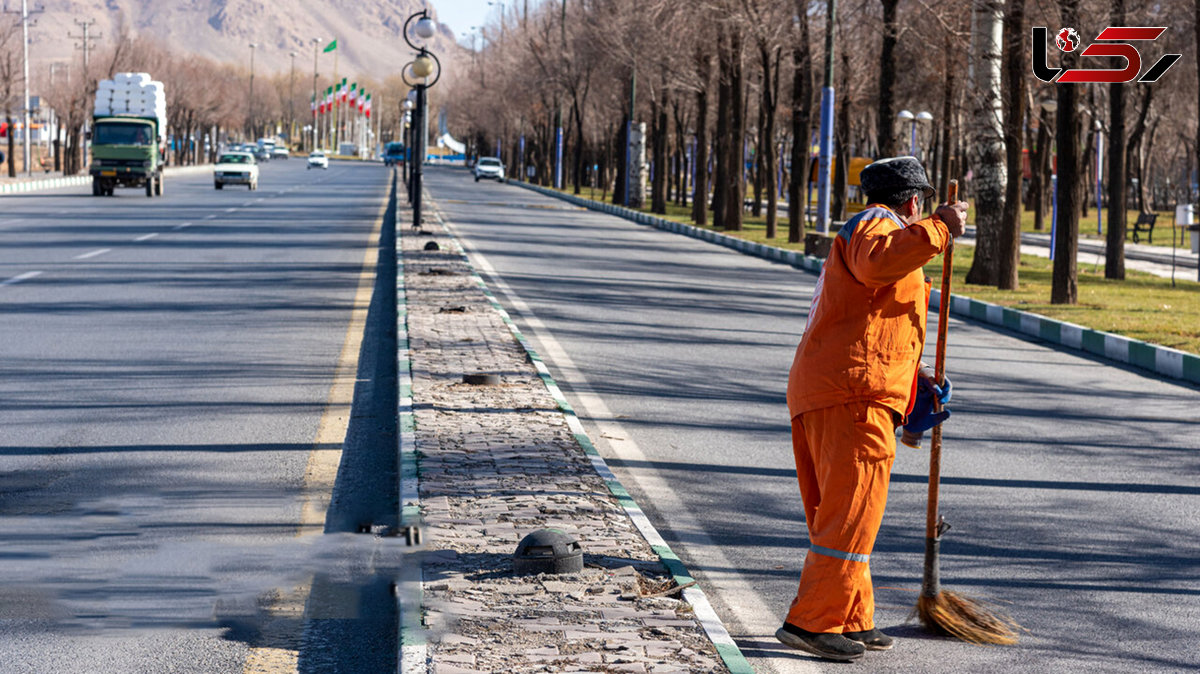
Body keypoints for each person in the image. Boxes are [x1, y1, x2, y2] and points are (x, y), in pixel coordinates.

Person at [777, 156, 967, 662]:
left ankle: (851, 616)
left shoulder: (869, 230)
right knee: (852, 512)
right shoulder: (880, 224)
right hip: (852, 396)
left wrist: (916, 381)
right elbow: (876, 263)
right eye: (922, 209)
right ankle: (811, 622)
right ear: (913, 202)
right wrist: (941, 228)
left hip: (836, 388)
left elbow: (872, 325)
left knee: (844, 512)